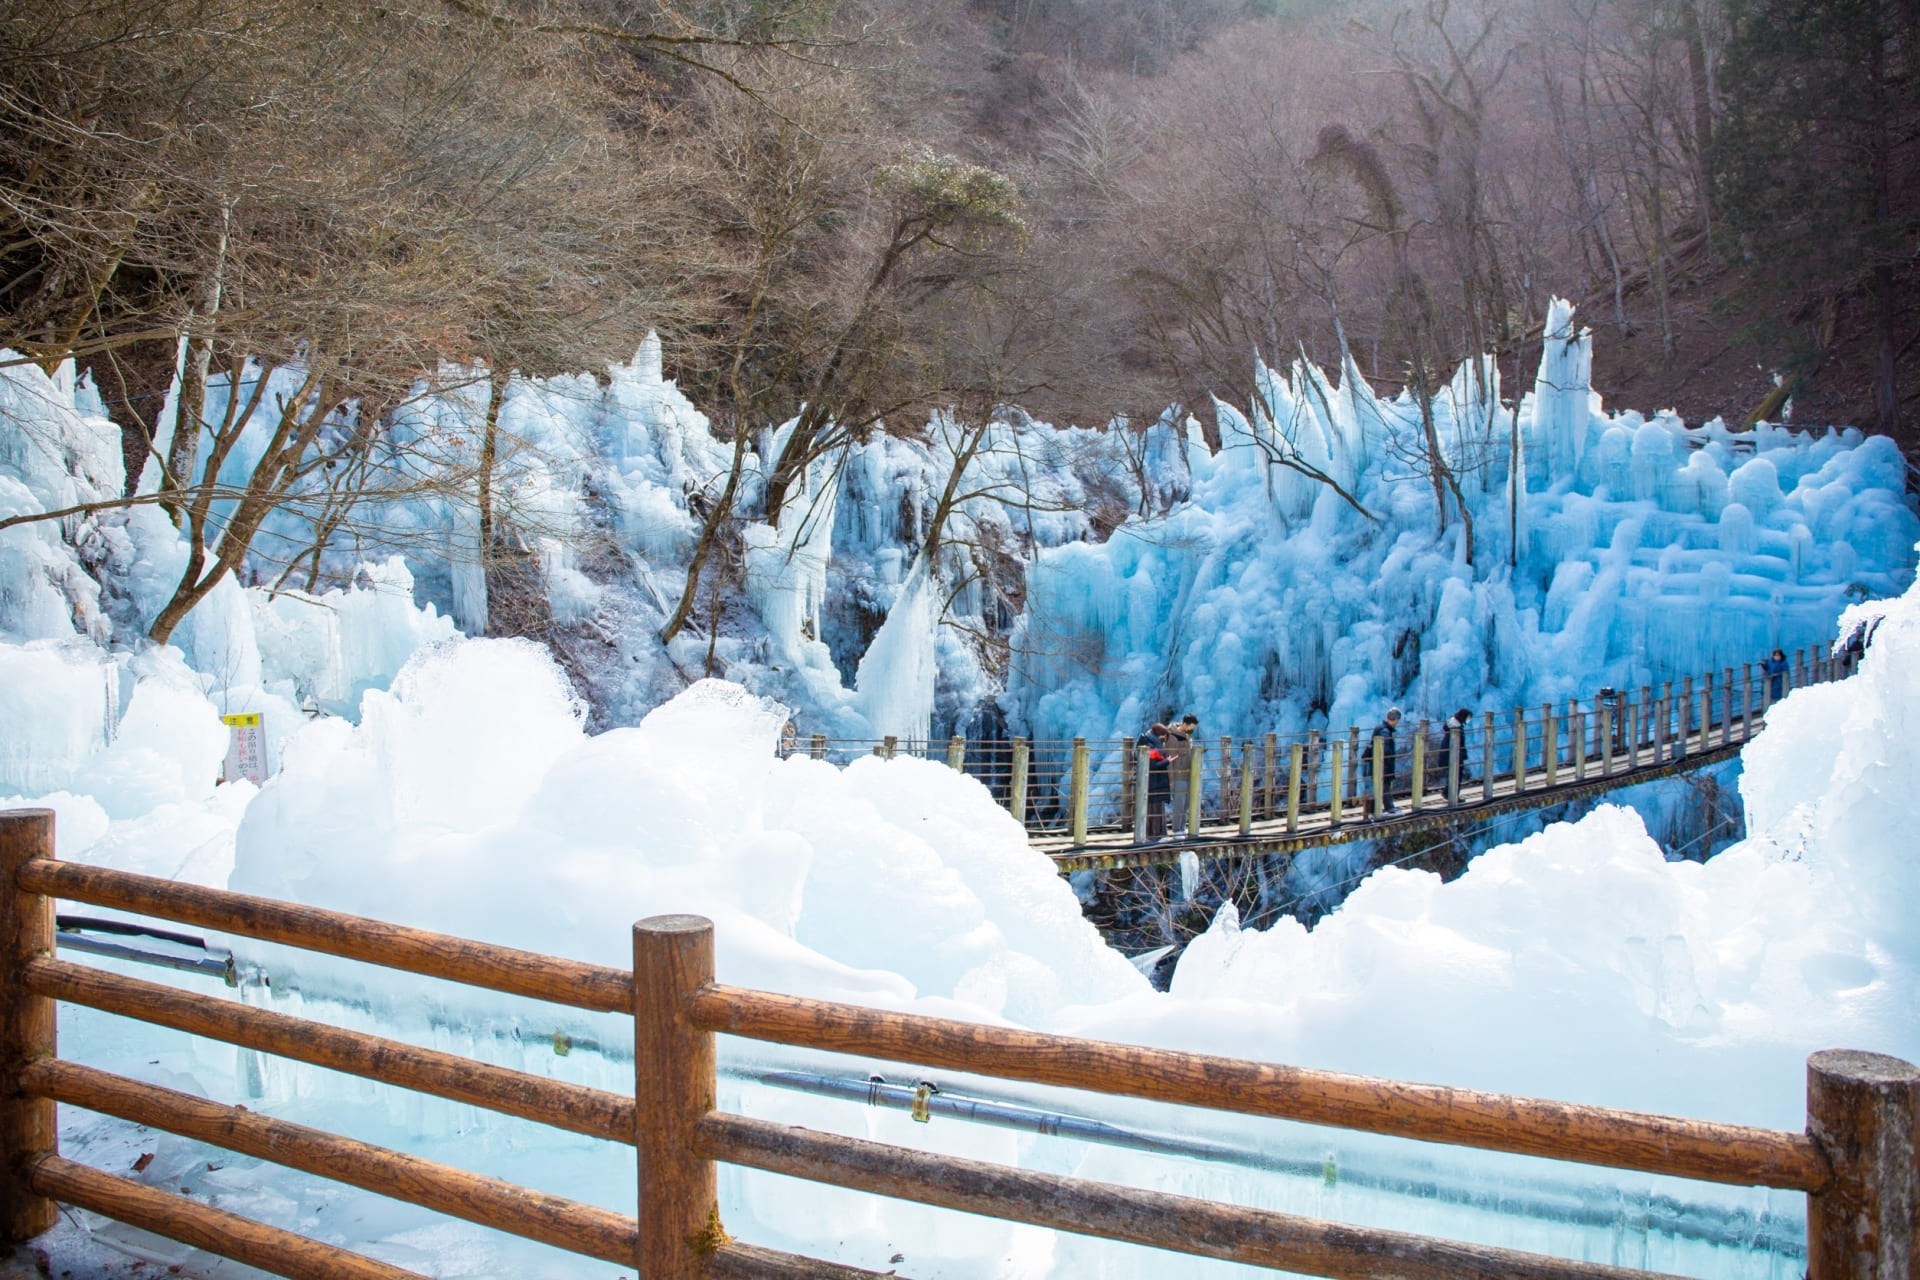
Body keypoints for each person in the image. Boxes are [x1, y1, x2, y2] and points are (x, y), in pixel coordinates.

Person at [1135, 723, 1173, 842]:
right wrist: (1167, 761)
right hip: (1152, 782)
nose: (1163, 739)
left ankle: (1157, 833)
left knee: (1156, 807)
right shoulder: (1149, 744)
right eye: (1163, 736)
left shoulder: (1150, 740)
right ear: (1159, 735)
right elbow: (1152, 765)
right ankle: (1153, 834)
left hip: (1155, 781)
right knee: (1153, 808)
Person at [1165, 713, 1198, 833]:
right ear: (1185, 724)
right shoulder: (1173, 737)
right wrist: (1171, 779)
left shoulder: (1187, 737)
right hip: (1178, 775)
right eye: (1191, 728)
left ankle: (1182, 827)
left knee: (1186, 803)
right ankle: (1176, 828)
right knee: (1179, 802)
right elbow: (1169, 759)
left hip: (1188, 774)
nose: (1191, 731)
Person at [1369, 708, 1402, 815]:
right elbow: (1386, 750)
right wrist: (1388, 765)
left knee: (1380, 787)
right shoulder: (1385, 731)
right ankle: (1389, 808)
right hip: (1382, 764)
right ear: (1396, 720)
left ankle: (1376, 809)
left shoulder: (1380, 727)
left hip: (1378, 763)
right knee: (1384, 786)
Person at [1442, 707, 1472, 790]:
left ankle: (1449, 793)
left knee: (1454, 773)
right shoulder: (1455, 727)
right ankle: (1452, 794)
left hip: (1452, 753)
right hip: (1453, 754)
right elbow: (1458, 743)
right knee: (1456, 774)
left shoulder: (1453, 724)